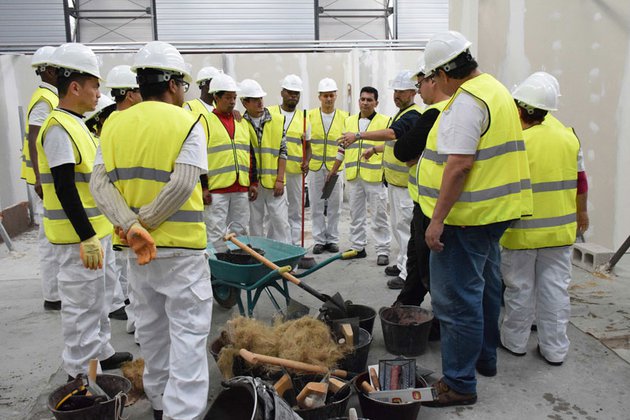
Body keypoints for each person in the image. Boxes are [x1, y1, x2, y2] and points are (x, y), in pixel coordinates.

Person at [91, 40, 212, 419]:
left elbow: (99, 185)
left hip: (136, 254)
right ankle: (184, 413)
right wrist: (144, 224)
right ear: (174, 84)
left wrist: (130, 227)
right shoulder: (188, 121)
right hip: (181, 252)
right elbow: (182, 184)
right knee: (189, 338)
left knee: (153, 334)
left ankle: (159, 403)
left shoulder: (112, 123)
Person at [417, 31, 532, 407]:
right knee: (483, 289)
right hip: (491, 215)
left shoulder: (467, 102)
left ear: (446, 72)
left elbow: (459, 166)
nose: (432, 84)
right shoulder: (494, 88)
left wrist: (437, 221)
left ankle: (460, 384)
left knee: (454, 302)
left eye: (433, 76)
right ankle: (484, 358)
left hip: (465, 219)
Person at [36, 43, 132, 380]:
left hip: (96, 233)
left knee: (99, 299)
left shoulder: (77, 124)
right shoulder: (59, 128)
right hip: (78, 239)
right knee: (81, 307)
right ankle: (79, 374)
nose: (98, 92)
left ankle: (101, 352)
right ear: (74, 87)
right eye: (94, 85)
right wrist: (87, 235)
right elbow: (64, 188)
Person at [500, 72, 589, 366]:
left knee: (520, 290)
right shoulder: (569, 137)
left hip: (521, 233)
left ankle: (515, 343)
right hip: (560, 233)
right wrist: (582, 213)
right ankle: (555, 350)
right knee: (555, 292)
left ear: (522, 106)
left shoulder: (517, 141)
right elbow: (581, 181)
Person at [340, 70, 421, 282]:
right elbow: (394, 143)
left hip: (404, 184)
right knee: (398, 226)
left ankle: (406, 273)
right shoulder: (401, 113)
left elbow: (393, 134)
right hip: (393, 182)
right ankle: (402, 263)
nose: (397, 95)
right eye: (395, 91)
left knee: (404, 229)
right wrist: (375, 150)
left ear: (413, 92)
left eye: (401, 91)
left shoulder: (412, 115)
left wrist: (358, 136)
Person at [392, 65, 450, 303]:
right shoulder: (454, 108)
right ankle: (406, 303)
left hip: (432, 204)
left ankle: (442, 319)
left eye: (419, 85)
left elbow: (402, 149)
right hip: (427, 200)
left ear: (432, 81)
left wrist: (416, 152)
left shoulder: (434, 113)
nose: (419, 91)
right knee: (416, 259)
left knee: (429, 264)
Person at [329, 86, 391, 265]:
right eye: (362, 99)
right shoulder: (349, 122)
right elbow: (342, 148)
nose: (365, 103)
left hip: (374, 177)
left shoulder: (385, 121)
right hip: (354, 176)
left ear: (376, 103)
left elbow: (389, 145)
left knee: (379, 214)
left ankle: (383, 250)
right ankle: (357, 247)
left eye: (369, 100)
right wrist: (334, 170)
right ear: (358, 101)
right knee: (356, 214)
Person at [20, 46, 61, 311]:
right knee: (48, 238)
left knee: (52, 236)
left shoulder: (48, 96)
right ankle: (53, 296)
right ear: (47, 70)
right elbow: (36, 137)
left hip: (45, 176)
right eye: (59, 69)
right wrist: (39, 178)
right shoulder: (45, 98)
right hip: (44, 179)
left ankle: (56, 291)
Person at [202, 73, 258, 247]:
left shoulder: (241, 122)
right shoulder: (205, 121)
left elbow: (250, 154)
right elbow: (200, 156)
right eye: (228, 97)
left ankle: (237, 266)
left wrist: (253, 182)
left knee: (240, 231)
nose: (233, 101)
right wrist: (203, 187)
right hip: (216, 189)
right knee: (216, 232)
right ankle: (218, 269)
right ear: (215, 97)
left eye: (234, 97)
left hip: (241, 187)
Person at [240, 78, 291, 243]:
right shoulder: (240, 123)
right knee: (254, 224)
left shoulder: (276, 120)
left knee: (281, 223)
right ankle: (260, 260)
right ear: (244, 102)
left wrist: (280, 179)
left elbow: (283, 151)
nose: (260, 102)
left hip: (274, 181)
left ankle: (286, 263)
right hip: (252, 183)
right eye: (255, 100)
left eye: (260, 98)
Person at [269, 75, 311, 246]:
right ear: (282, 92)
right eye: (290, 92)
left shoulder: (304, 118)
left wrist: (307, 160)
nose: (293, 96)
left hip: (295, 172)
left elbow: (308, 146)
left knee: (296, 212)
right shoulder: (270, 113)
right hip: (275, 172)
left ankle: (294, 247)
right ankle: (273, 245)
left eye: (296, 93)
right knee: (274, 212)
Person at [307, 78, 348, 254]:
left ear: (336, 96)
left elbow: (345, 143)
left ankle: (332, 239)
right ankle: (318, 240)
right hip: (316, 167)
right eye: (325, 96)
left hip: (334, 168)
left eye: (331, 95)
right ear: (319, 97)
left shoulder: (344, 117)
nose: (328, 99)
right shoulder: (309, 116)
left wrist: (335, 168)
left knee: (333, 205)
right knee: (316, 204)